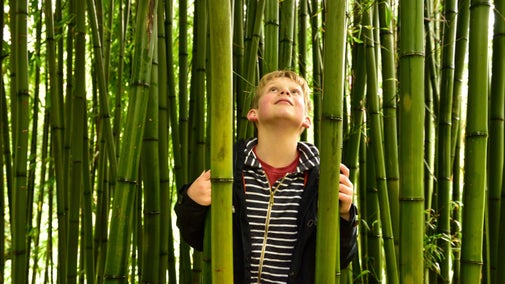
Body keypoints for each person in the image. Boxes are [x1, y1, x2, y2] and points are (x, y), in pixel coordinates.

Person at [175, 70, 358, 283]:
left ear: (307, 120)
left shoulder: (322, 181)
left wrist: (345, 216)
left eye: (294, 92)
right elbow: (196, 238)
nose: (284, 92)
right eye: (274, 89)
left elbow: (341, 257)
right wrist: (192, 201)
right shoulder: (229, 171)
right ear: (253, 113)